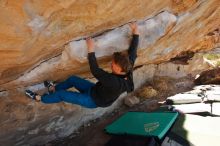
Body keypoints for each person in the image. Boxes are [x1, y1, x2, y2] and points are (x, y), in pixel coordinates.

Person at [25, 22, 139, 108]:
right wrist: (136, 31)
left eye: (113, 64)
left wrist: (91, 49)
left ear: (119, 69)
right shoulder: (128, 67)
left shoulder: (115, 83)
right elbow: (133, 52)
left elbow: (95, 70)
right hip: (95, 90)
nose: (111, 64)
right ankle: (53, 89)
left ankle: (40, 98)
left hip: (93, 101)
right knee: (73, 79)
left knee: (62, 95)